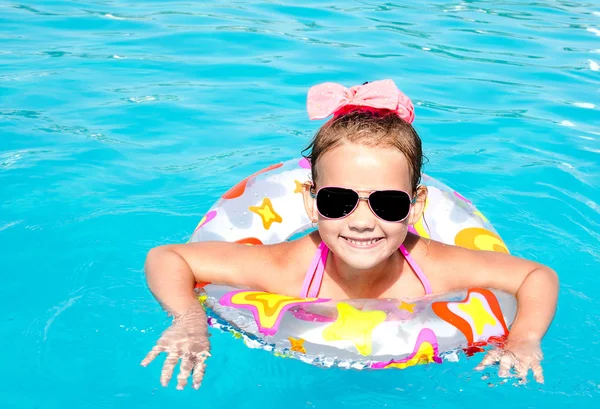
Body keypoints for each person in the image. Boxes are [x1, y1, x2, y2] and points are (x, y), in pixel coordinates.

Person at [141, 79, 558, 390]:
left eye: (388, 204)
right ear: (310, 203)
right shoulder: (286, 267)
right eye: (338, 201)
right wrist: (189, 319)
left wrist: (523, 339)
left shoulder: (435, 265)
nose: (361, 221)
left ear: (417, 206)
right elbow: (168, 257)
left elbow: (536, 276)